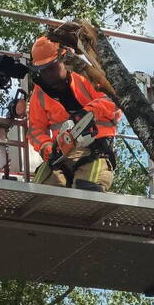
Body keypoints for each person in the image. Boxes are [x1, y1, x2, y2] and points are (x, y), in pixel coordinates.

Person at [27, 34, 121, 191]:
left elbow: (114, 104)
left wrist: (89, 112)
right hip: (60, 155)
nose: (48, 74)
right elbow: (35, 129)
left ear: (65, 59)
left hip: (96, 149)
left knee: (87, 190)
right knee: (39, 191)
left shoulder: (87, 75)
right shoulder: (40, 93)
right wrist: (46, 146)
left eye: (51, 67)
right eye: (42, 70)